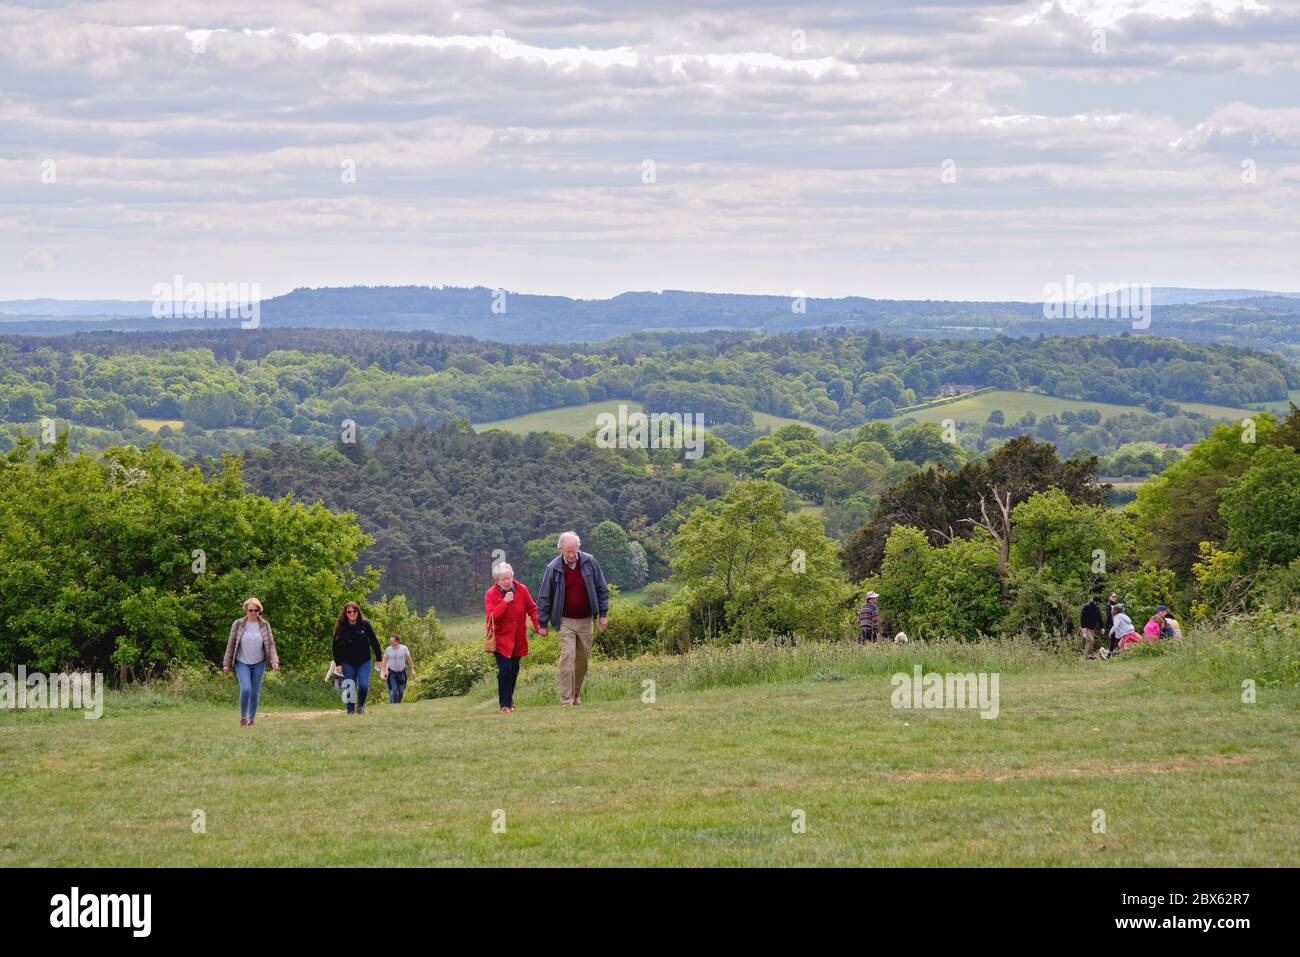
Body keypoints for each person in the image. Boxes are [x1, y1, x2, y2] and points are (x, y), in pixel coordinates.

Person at [535, 531, 609, 707]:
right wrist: (542, 623)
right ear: (560, 549)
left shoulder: (590, 562)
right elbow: (544, 597)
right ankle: (566, 700)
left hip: (586, 619)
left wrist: (603, 615)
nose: (571, 555)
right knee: (567, 658)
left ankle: (576, 693)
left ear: (578, 547)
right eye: (567, 551)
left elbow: (602, 589)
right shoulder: (553, 568)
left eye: (574, 551)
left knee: (582, 661)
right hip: (565, 621)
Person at [484, 562, 540, 714]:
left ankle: (509, 700)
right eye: (503, 579)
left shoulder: (522, 589)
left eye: (509, 578)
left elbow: (532, 608)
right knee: (505, 669)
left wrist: (538, 625)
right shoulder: (491, 594)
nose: (507, 581)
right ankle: (504, 705)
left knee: (514, 670)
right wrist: (504, 602)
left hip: (518, 638)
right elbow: (491, 617)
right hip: (500, 640)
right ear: (497, 581)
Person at [222, 597, 280, 727]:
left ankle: (252, 719)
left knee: (254, 692)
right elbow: (231, 644)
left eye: (256, 610)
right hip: (242, 662)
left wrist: (274, 660)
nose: (253, 613)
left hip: (259, 663)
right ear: (246, 611)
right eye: (250, 610)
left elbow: (270, 644)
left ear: (259, 611)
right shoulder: (238, 624)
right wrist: (226, 663)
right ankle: (243, 717)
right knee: (246, 689)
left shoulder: (264, 625)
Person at [332, 601, 382, 715]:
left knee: (364, 685)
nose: (352, 613)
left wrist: (379, 658)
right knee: (350, 686)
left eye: (354, 611)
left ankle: (360, 705)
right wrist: (338, 664)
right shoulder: (341, 627)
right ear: (345, 614)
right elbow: (335, 647)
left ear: (358, 612)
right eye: (349, 612)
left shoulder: (365, 624)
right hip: (347, 662)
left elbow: (374, 641)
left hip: (363, 661)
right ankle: (350, 712)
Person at [381, 635, 414, 704]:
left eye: (391, 641)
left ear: (396, 641)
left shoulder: (404, 648)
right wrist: (384, 672)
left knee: (401, 691)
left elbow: (409, 659)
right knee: (394, 690)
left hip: (401, 672)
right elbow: (384, 660)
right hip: (392, 672)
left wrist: (412, 670)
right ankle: (394, 705)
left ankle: (398, 703)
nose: (390, 642)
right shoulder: (388, 649)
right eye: (390, 641)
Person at [1080, 594, 1104, 659]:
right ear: (1094, 601)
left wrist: (1102, 627)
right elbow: (1082, 617)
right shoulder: (1086, 606)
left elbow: (1099, 618)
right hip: (1086, 627)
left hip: (1092, 628)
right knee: (1091, 640)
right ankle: (1087, 655)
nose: (1099, 604)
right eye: (1098, 602)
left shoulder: (1097, 609)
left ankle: (1089, 656)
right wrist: (1083, 627)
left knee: (1090, 642)